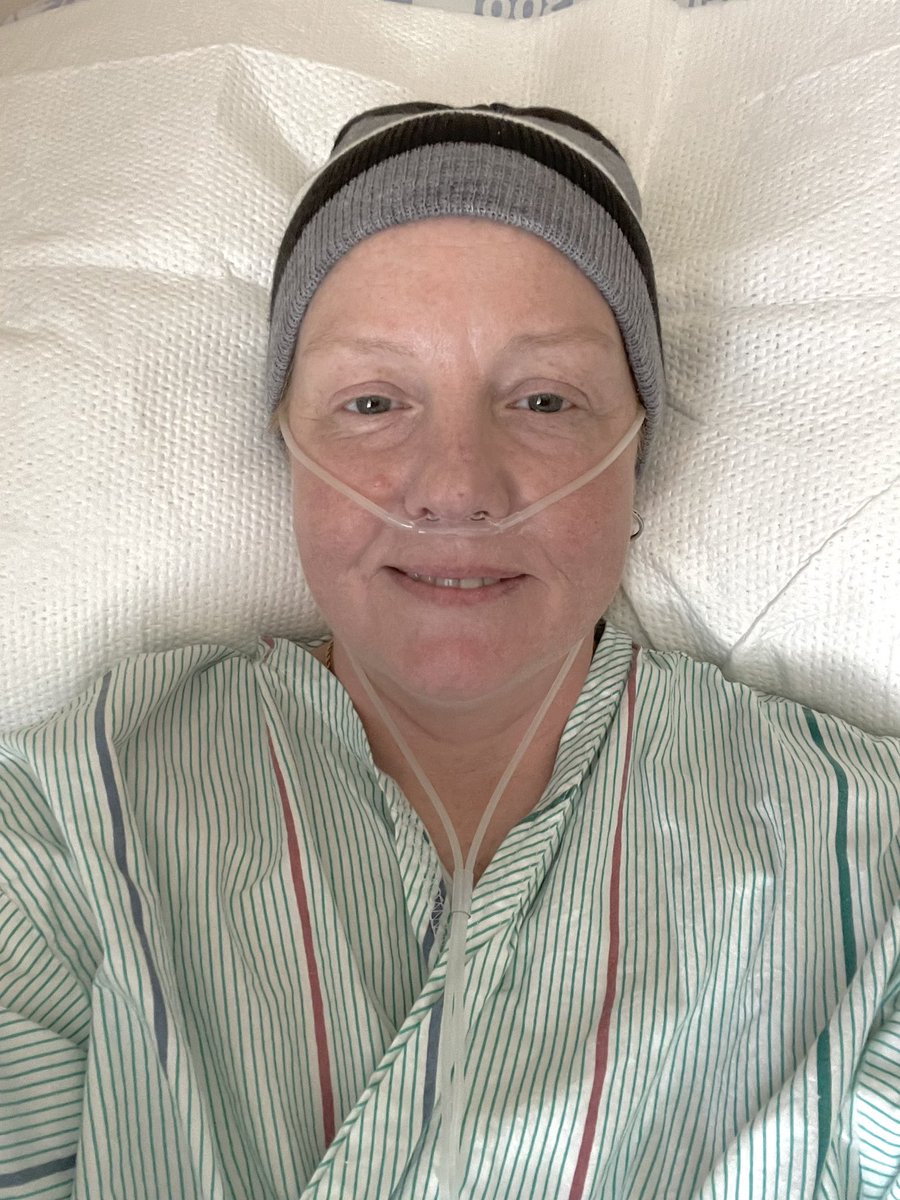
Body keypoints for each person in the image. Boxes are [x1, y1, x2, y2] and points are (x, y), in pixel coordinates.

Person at [0, 101, 897, 1200]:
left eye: (545, 400)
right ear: (285, 447)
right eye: (373, 402)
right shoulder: (74, 815)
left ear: (638, 456)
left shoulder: (864, 860)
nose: (458, 487)